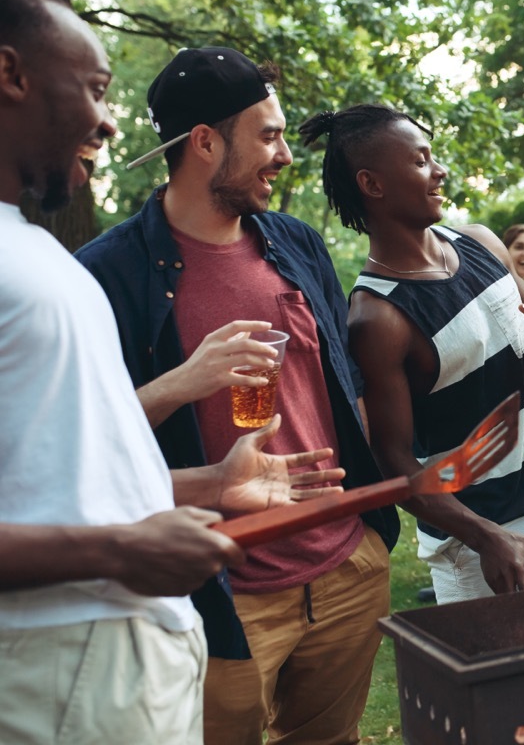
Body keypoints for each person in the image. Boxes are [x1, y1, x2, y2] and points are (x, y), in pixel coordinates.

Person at [0, 0, 343, 744]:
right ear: (11, 74)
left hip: (133, 663)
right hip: (57, 673)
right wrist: (119, 547)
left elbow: (66, 471)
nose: (107, 121)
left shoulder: (30, 250)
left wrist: (212, 484)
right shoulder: (101, 266)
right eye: (91, 86)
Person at [74, 48, 399, 745]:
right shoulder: (104, 276)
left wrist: (371, 531)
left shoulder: (298, 244)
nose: (284, 155)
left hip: (346, 570)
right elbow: (78, 444)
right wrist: (181, 382)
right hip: (221, 594)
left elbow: (340, 385)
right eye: (269, 135)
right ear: (204, 143)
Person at [298, 103, 524, 600]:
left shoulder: (482, 243)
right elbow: (392, 460)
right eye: (421, 161)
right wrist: (486, 536)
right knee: (503, 680)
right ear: (372, 185)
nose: (440, 170)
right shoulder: (378, 318)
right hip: (483, 543)